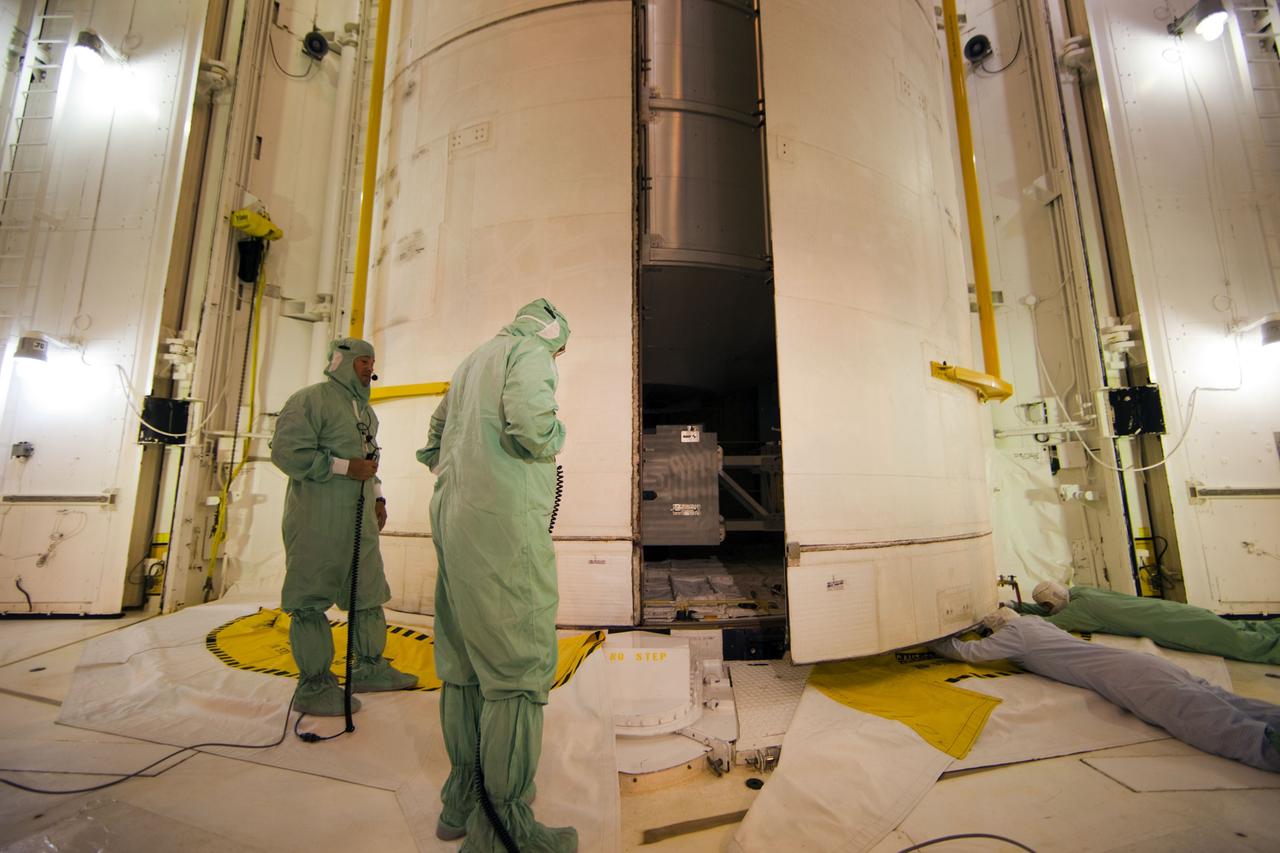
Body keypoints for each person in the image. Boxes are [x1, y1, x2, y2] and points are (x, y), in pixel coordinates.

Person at [416, 298, 577, 851]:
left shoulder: (473, 359)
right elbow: (533, 426)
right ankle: (503, 827)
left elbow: (433, 441)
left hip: (455, 520)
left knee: (464, 662)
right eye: (561, 350)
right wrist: (555, 438)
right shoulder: (530, 351)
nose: (558, 358)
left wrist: (469, 469)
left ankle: (462, 799)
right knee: (517, 666)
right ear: (553, 335)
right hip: (502, 527)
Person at [930, 608, 1280, 773]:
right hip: (1142, 664)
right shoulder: (1035, 623)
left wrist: (931, 640)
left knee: (1200, 718)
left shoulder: (1014, 636)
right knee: (1222, 699)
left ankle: (1268, 750)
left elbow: (968, 653)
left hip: (1130, 678)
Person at [270, 337, 418, 716]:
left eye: (372, 362)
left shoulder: (366, 412)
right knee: (310, 599)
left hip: (359, 519)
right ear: (340, 362)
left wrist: (378, 497)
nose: (369, 368)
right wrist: (343, 467)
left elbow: (370, 459)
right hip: (317, 521)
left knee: (367, 591)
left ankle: (370, 667)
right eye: (362, 361)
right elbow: (287, 453)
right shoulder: (310, 400)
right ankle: (314, 685)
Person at [1011, 581, 1280, 664]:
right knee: (1235, 628)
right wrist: (1014, 605)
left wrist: (1010, 617)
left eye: (1047, 604)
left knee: (1238, 643)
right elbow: (1050, 610)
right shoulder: (1081, 592)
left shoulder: (1081, 611)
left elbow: (1050, 622)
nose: (1047, 609)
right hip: (1174, 612)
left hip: (1174, 628)